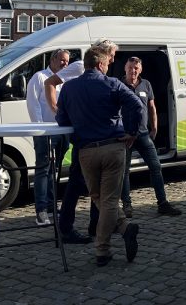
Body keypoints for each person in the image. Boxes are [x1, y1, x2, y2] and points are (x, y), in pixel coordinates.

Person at [55, 47, 146, 267]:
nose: (107, 68)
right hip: (113, 147)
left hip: (85, 151)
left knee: (98, 196)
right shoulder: (112, 83)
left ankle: (111, 241)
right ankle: (107, 246)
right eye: (107, 65)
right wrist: (132, 132)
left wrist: (77, 126)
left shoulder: (69, 88)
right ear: (99, 65)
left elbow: (61, 119)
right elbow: (136, 105)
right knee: (107, 201)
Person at [45, 40, 117, 241]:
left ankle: (95, 226)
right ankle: (67, 228)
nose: (113, 60)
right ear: (102, 55)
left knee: (93, 184)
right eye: (111, 56)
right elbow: (49, 83)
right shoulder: (79, 67)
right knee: (77, 184)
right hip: (84, 138)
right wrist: (56, 111)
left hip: (92, 135)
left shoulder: (100, 71)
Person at [120, 57, 181, 217]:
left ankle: (162, 203)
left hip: (143, 134)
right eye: (131, 67)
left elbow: (152, 107)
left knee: (155, 167)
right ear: (125, 68)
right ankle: (127, 206)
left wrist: (154, 127)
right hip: (126, 136)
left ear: (140, 70)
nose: (133, 71)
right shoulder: (118, 85)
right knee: (124, 172)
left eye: (136, 68)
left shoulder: (146, 84)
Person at [25, 49, 70, 226]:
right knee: (43, 169)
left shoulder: (66, 79)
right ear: (53, 60)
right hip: (45, 131)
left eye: (67, 61)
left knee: (54, 169)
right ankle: (41, 210)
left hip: (62, 130)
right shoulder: (39, 77)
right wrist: (40, 128)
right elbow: (33, 104)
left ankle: (52, 205)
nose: (64, 64)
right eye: (62, 60)